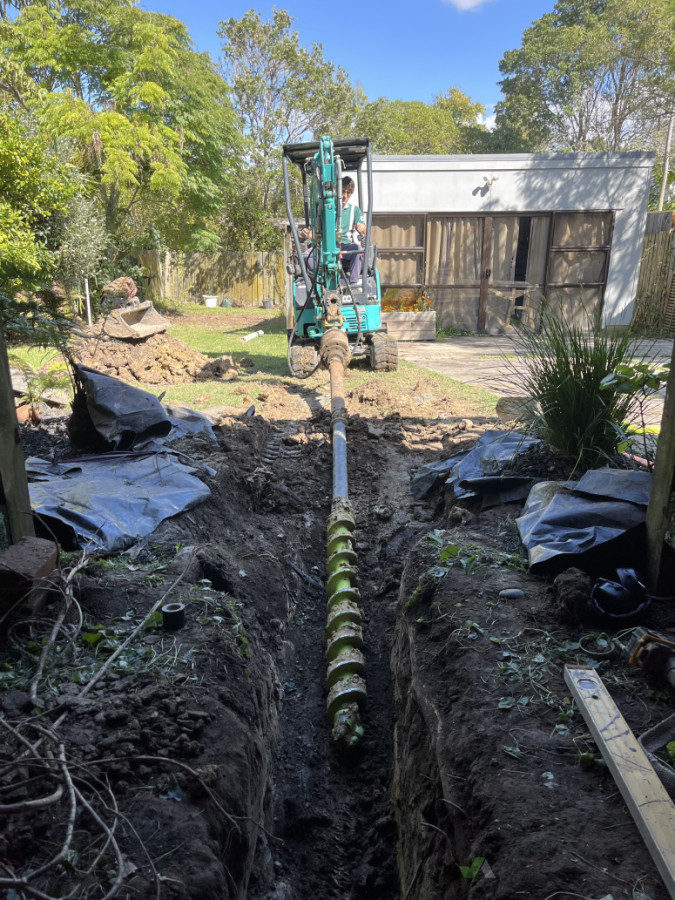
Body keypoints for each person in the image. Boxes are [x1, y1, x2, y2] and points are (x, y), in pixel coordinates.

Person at [299, 177, 366, 284]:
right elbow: (312, 230)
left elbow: (363, 228)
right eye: (343, 192)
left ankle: (353, 284)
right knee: (307, 257)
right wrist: (306, 233)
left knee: (357, 249)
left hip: (344, 248)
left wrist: (361, 227)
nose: (345, 196)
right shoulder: (324, 209)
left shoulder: (355, 210)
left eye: (348, 193)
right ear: (336, 191)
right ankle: (319, 283)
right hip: (325, 247)